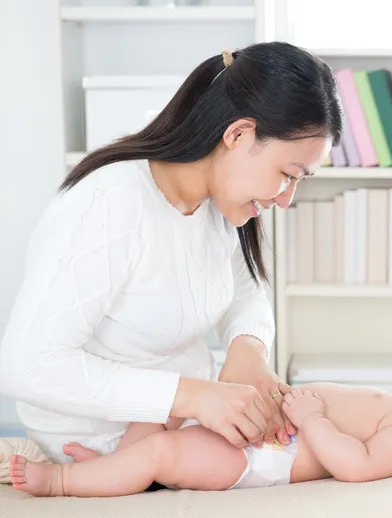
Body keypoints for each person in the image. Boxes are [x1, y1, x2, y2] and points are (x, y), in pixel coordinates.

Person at [0, 41, 343, 472]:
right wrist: (193, 396)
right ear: (237, 134)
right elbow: (26, 366)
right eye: (287, 175)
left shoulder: (221, 204)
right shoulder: (112, 203)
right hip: (99, 441)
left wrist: (249, 350)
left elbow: (245, 291)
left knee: (328, 421)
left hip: (177, 422)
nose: (286, 199)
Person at [8, 359, 392, 496]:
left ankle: (60, 484)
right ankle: (112, 470)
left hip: (261, 461)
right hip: (268, 434)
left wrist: (314, 420)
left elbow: (355, 467)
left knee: (164, 455)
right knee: (166, 409)